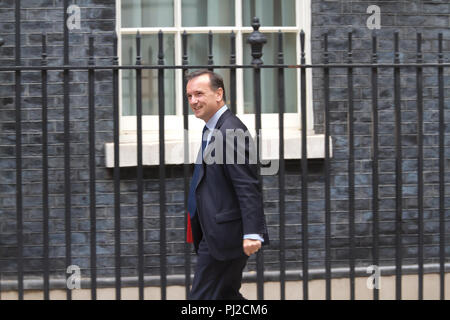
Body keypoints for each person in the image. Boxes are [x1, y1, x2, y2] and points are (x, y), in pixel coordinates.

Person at [185, 69, 269, 300]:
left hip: (225, 235)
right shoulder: (213, 128)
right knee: (224, 295)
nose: (193, 101)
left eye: (199, 94)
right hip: (215, 233)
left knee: (201, 300)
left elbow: (247, 185)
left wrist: (253, 232)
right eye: (189, 96)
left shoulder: (230, 130)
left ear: (219, 93)